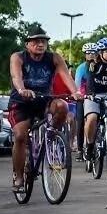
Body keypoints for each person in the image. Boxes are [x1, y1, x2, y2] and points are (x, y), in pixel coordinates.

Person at [8, 26, 82, 192]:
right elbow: (16, 76)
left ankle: (51, 136)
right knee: (20, 136)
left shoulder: (53, 58)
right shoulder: (18, 57)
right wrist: (22, 90)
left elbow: (66, 76)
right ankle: (18, 176)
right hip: (21, 102)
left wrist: (75, 92)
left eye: (43, 41)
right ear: (27, 44)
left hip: (44, 100)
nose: (40, 44)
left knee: (62, 106)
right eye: (36, 41)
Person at [83, 38, 107, 161]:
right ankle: (89, 145)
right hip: (94, 94)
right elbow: (89, 81)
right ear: (100, 52)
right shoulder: (93, 65)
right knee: (92, 117)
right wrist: (90, 94)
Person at [73, 43, 97, 161]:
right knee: (80, 121)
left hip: (97, 96)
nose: (92, 55)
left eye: (94, 52)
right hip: (83, 97)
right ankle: (79, 149)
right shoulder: (81, 68)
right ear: (85, 55)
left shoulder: (99, 66)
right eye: (89, 53)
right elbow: (77, 84)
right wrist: (81, 95)